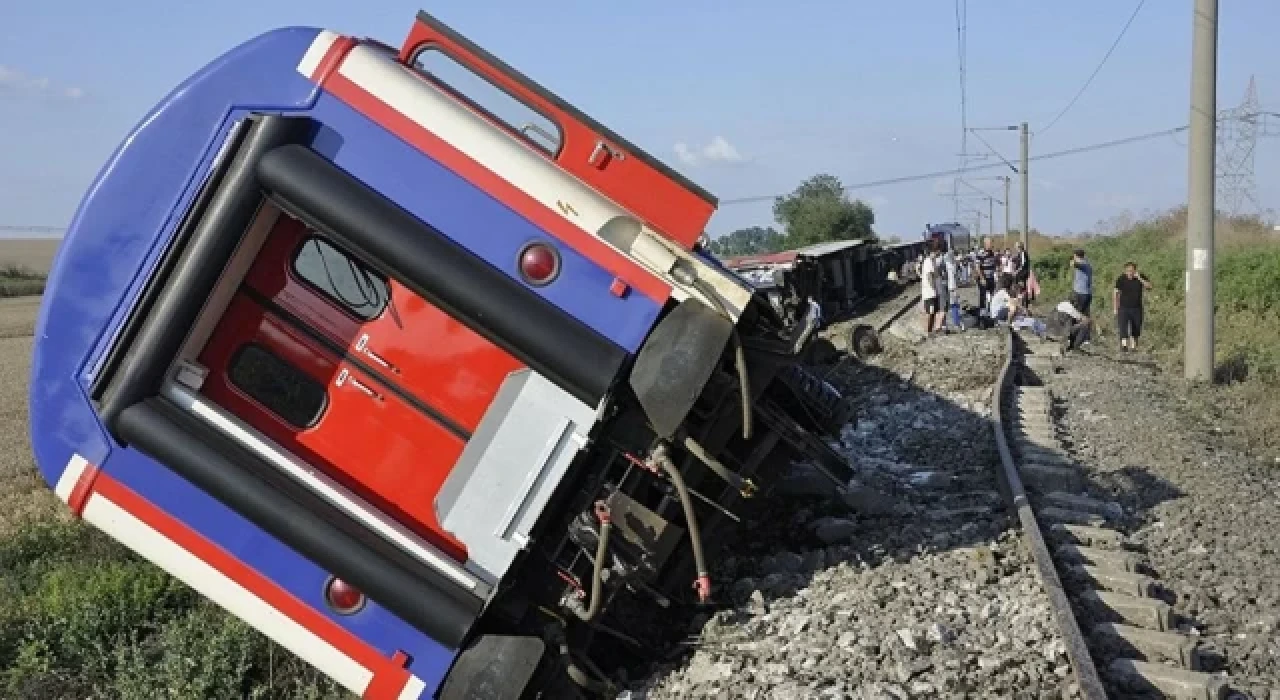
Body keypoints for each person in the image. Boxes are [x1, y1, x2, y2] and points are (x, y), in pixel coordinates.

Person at [1113, 262, 1152, 352]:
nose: (1129, 273)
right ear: (1125, 271)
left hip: (1136, 307)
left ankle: (1134, 347)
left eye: (1131, 271)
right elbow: (1115, 293)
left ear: (1135, 270)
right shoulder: (1121, 279)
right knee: (1123, 326)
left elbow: (1149, 287)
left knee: (1136, 326)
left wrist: (1139, 278)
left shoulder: (1140, 277)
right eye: (1128, 271)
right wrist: (1115, 307)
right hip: (1123, 307)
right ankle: (1124, 346)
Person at [973, 237, 999, 312]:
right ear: (985, 244)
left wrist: (996, 271)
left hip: (991, 277)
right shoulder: (981, 253)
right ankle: (982, 311)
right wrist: (982, 278)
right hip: (983, 278)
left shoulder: (992, 253)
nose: (991, 245)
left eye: (992, 243)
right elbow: (978, 267)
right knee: (983, 295)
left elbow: (994, 264)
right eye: (990, 243)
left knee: (992, 295)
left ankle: (991, 310)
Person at [920, 244, 941, 334]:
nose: (938, 254)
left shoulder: (931, 261)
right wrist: (934, 288)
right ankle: (926, 332)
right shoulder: (928, 261)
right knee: (929, 312)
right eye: (937, 252)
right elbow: (929, 276)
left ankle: (930, 331)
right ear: (933, 252)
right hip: (929, 293)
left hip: (932, 292)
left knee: (932, 312)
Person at [1069, 249, 1093, 314]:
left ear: (1076, 256)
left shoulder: (1082, 264)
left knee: (1077, 314)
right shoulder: (1087, 263)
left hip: (1080, 294)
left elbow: (1075, 264)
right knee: (1085, 314)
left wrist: (1072, 261)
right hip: (1087, 294)